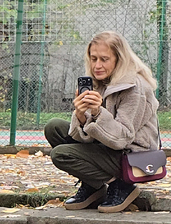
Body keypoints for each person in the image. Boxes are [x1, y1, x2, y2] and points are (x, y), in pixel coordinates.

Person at [44, 31, 160, 213]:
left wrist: (98, 112)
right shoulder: (100, 81)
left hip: (134, 156)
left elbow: (122, 138)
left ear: (119, 60)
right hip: (108, 148)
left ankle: (121, 186)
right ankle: (93, 186)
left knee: (61, 154)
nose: (97, 65)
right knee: (54, 128)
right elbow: (93, 135)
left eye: (104, 59)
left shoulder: (135, 88)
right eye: (93, 58)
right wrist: (81, 114)